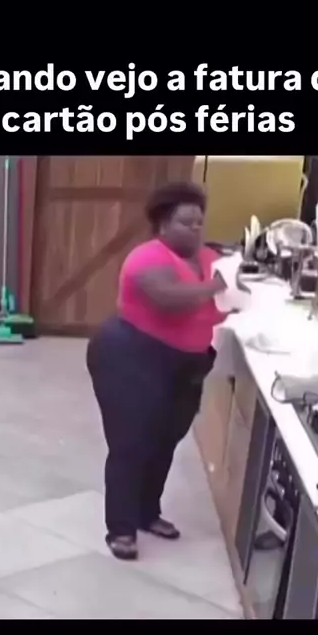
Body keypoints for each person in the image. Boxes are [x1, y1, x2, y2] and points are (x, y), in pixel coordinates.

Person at [86, 181, 237, 561]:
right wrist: (217, 286)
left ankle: (146, 512)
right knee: (130, 443)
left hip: (187, 364)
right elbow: (169, 299)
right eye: (186, 222)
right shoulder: (146, 258)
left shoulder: (209, 258)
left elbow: (232, 294)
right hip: (129, 356)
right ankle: (121, 529)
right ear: (163, 223)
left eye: (199, 222)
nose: (196, 229)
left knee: (166, 439)